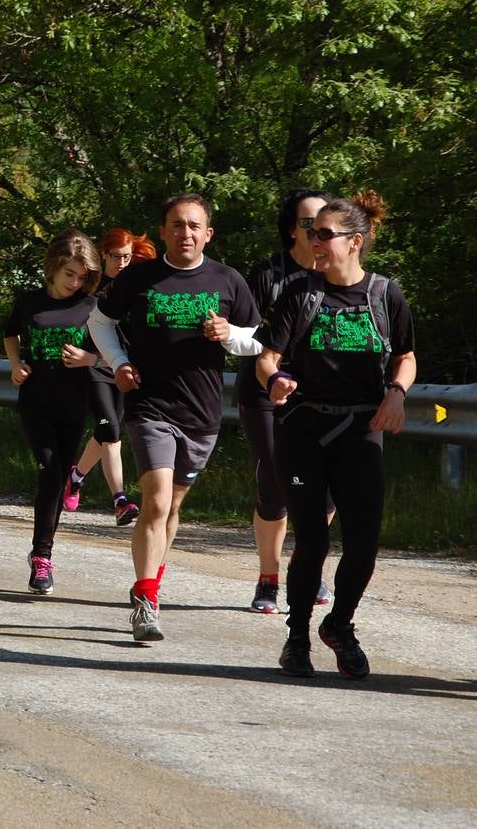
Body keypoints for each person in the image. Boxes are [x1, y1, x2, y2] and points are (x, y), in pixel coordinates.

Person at [87, 194, 260, 642]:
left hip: (201, 412)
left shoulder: (228, 280)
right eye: (177, 225)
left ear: (208, 233)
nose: (185, 233)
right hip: (149, 405)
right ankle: (146, 602)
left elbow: (259, 341)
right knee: (157, 500)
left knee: (174, 507)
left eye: (194, 226)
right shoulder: (140, 278)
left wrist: (230, 335)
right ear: (163, 232)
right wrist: (118, 362)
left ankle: (150, 581)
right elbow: (99, 321)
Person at [257, 191, 415, 680]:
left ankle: (340, 626)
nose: (314, 241)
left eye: (324, 234)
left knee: (364, 542)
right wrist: (275, 380)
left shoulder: (385, 295)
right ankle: (298, 636)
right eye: (311, 232)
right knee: (313, 541)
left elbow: (406, 356)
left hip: (363, 429)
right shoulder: (300, 292)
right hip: (304, 429)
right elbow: (267, 355)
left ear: (355, 242)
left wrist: (396, 393)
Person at [238, 189, 337, 614]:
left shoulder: (342, 273)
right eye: (306, 223)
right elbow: (241, 335)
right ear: (291, 230)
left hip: (324, 395)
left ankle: (308, 568)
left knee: (326, 490)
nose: (315, 232)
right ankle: (268, 579)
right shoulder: (268, 275)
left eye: (324, 225)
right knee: (276, 487)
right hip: (265, 393)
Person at [4, 230, 102, 595]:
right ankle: (42, 557)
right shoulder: (29, 301)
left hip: (74, 404)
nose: (76, 283)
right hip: (36, 402)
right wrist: (16, 365)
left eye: (82, 277)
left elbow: (111, 353)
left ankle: (43, 552)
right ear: (53, 269)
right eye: (69, 275)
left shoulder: (91, 307)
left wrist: (88, 358)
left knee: (58, 479)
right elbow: (11, 334)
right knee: (51, 469)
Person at [64, 228, 145, 526]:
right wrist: (88, 358)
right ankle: (121, 500)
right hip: (93, 368)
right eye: (116, 256)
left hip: (123, 369)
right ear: (104, 254)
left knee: (104, 432)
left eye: (127, 256)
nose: (122, 262)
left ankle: (75, 477)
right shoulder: (90, 287)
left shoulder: (137, 284)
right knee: (111, 432)